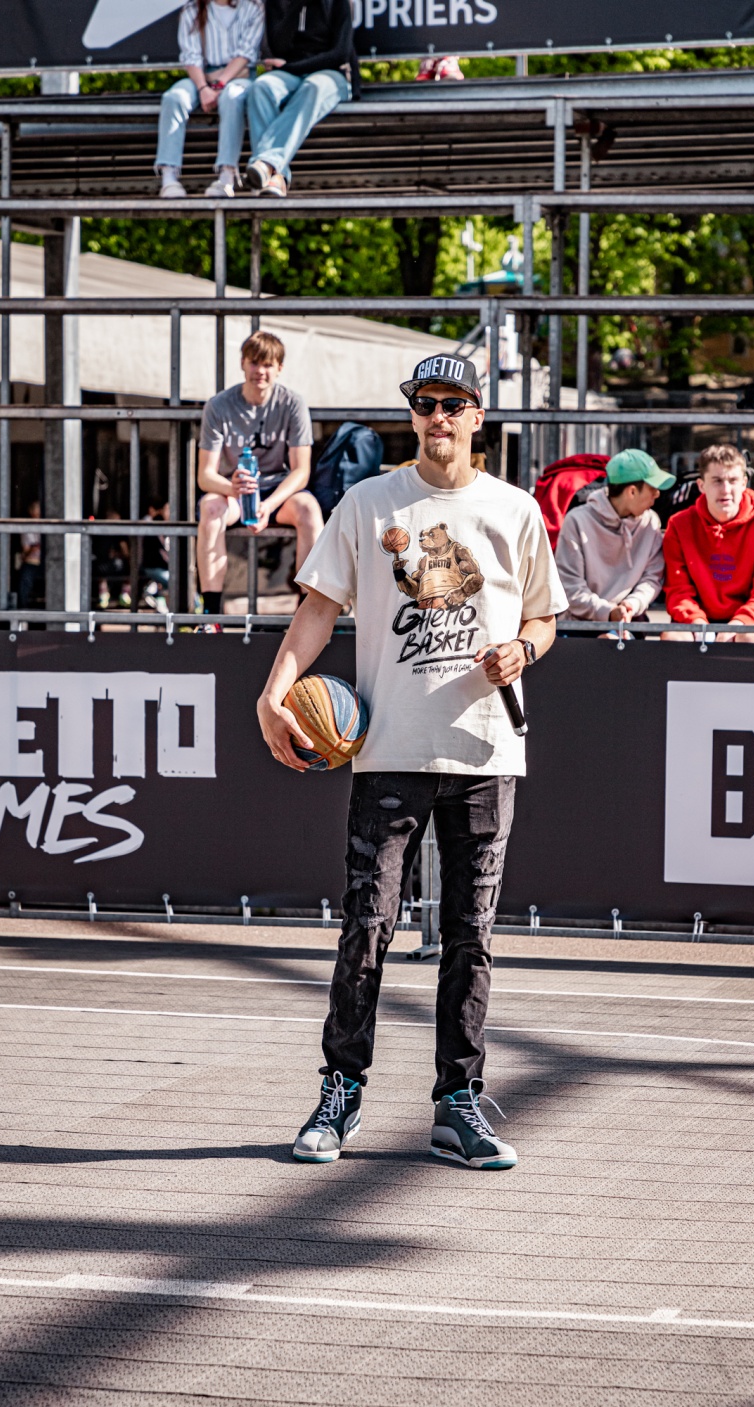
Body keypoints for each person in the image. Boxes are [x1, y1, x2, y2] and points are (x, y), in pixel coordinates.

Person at [256, 354, 567, 1169]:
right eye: (426, 404)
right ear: (413, 416)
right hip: (388, 749)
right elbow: (318, 607)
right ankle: (342, 1091)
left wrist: (523, 652)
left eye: (453, 404)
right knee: (367, 925)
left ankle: (457, 1103)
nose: (438, 417)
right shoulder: (368, 502)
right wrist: (274, 692)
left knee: (470, 936)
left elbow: (544, 619)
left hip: (484, 748)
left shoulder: (514, 509)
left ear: (477, 417)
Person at [197, 330, 322, 621]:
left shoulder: (292, 403)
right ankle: (210, 616)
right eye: (254, 363)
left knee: (309, 509)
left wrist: (269, 504)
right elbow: (205, 475)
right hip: (234, 492)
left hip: (278, 493)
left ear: (279, 368)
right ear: (242, 363)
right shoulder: (219, 405)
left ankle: (309, 613)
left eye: (267, 364)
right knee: (210, 508)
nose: (260, 371)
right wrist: (232, 488)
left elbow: (301, 470)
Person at [662, 442, 754, 643]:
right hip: (697, 620)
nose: (726, 490)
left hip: (751, 620)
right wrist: (698, 624)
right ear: (701, 485)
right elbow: (678, 590)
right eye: (717, 481)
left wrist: (738, 623)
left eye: (733, 480)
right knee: (674, 639)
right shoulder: (679, 525)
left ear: (744, 483)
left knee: (752, 639)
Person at [245, 0, 359, 198]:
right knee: (261, 88)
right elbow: (278, 46)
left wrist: (293, 67)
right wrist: (296, 6)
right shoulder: (278, 3)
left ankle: (267, 163)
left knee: (312, 87)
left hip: (330, 74)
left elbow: (339, 54)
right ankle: (277, 177)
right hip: (291, 73)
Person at [156, 0, 264, 200]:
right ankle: (169, 177)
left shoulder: (253, 7)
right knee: (174, 98)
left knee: (232, 97)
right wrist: (203, 87)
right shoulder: (191, 10)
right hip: (202, 78)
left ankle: (226, 175)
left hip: (238, 77)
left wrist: (220, 83)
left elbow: (246, 54)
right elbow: (191, 56)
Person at [555, 448, 675, 627]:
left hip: (631, 621)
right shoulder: (577, 521)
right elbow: (570, 587)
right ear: (632, 492)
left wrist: (631, 605)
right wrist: (608, 613)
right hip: (580, 626)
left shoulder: (651, 522)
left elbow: (652, 577)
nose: (657, 494)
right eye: (652, 488)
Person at [17, 499, 42, 609]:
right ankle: (23, 608)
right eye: (37, 510)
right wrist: (34, 548)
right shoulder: (27, 528)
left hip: (47, 562)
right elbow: (26, 549)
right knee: (25, 582)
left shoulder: (45, 525)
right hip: (31, 562)